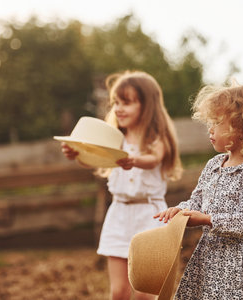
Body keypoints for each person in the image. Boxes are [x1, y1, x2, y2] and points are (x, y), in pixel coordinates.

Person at [154, 82, 243, 299]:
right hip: (209, 258)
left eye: (217, 123)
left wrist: (208, 220)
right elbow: (197, 201)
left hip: (239, 267)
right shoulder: (214, 165)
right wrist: (180, 211)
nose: (210, 129)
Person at [61, 70, 183, 300]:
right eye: (116, 102)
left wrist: (132, 160)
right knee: (118, 291)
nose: (118, 108)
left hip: (150, 216)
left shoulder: (157, 139)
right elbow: (95, 160)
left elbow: (153, 159)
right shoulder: (114, 140)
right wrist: (77, 154)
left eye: (126, 102)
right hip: (118, 215)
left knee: (144, 294)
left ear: (147, 106)